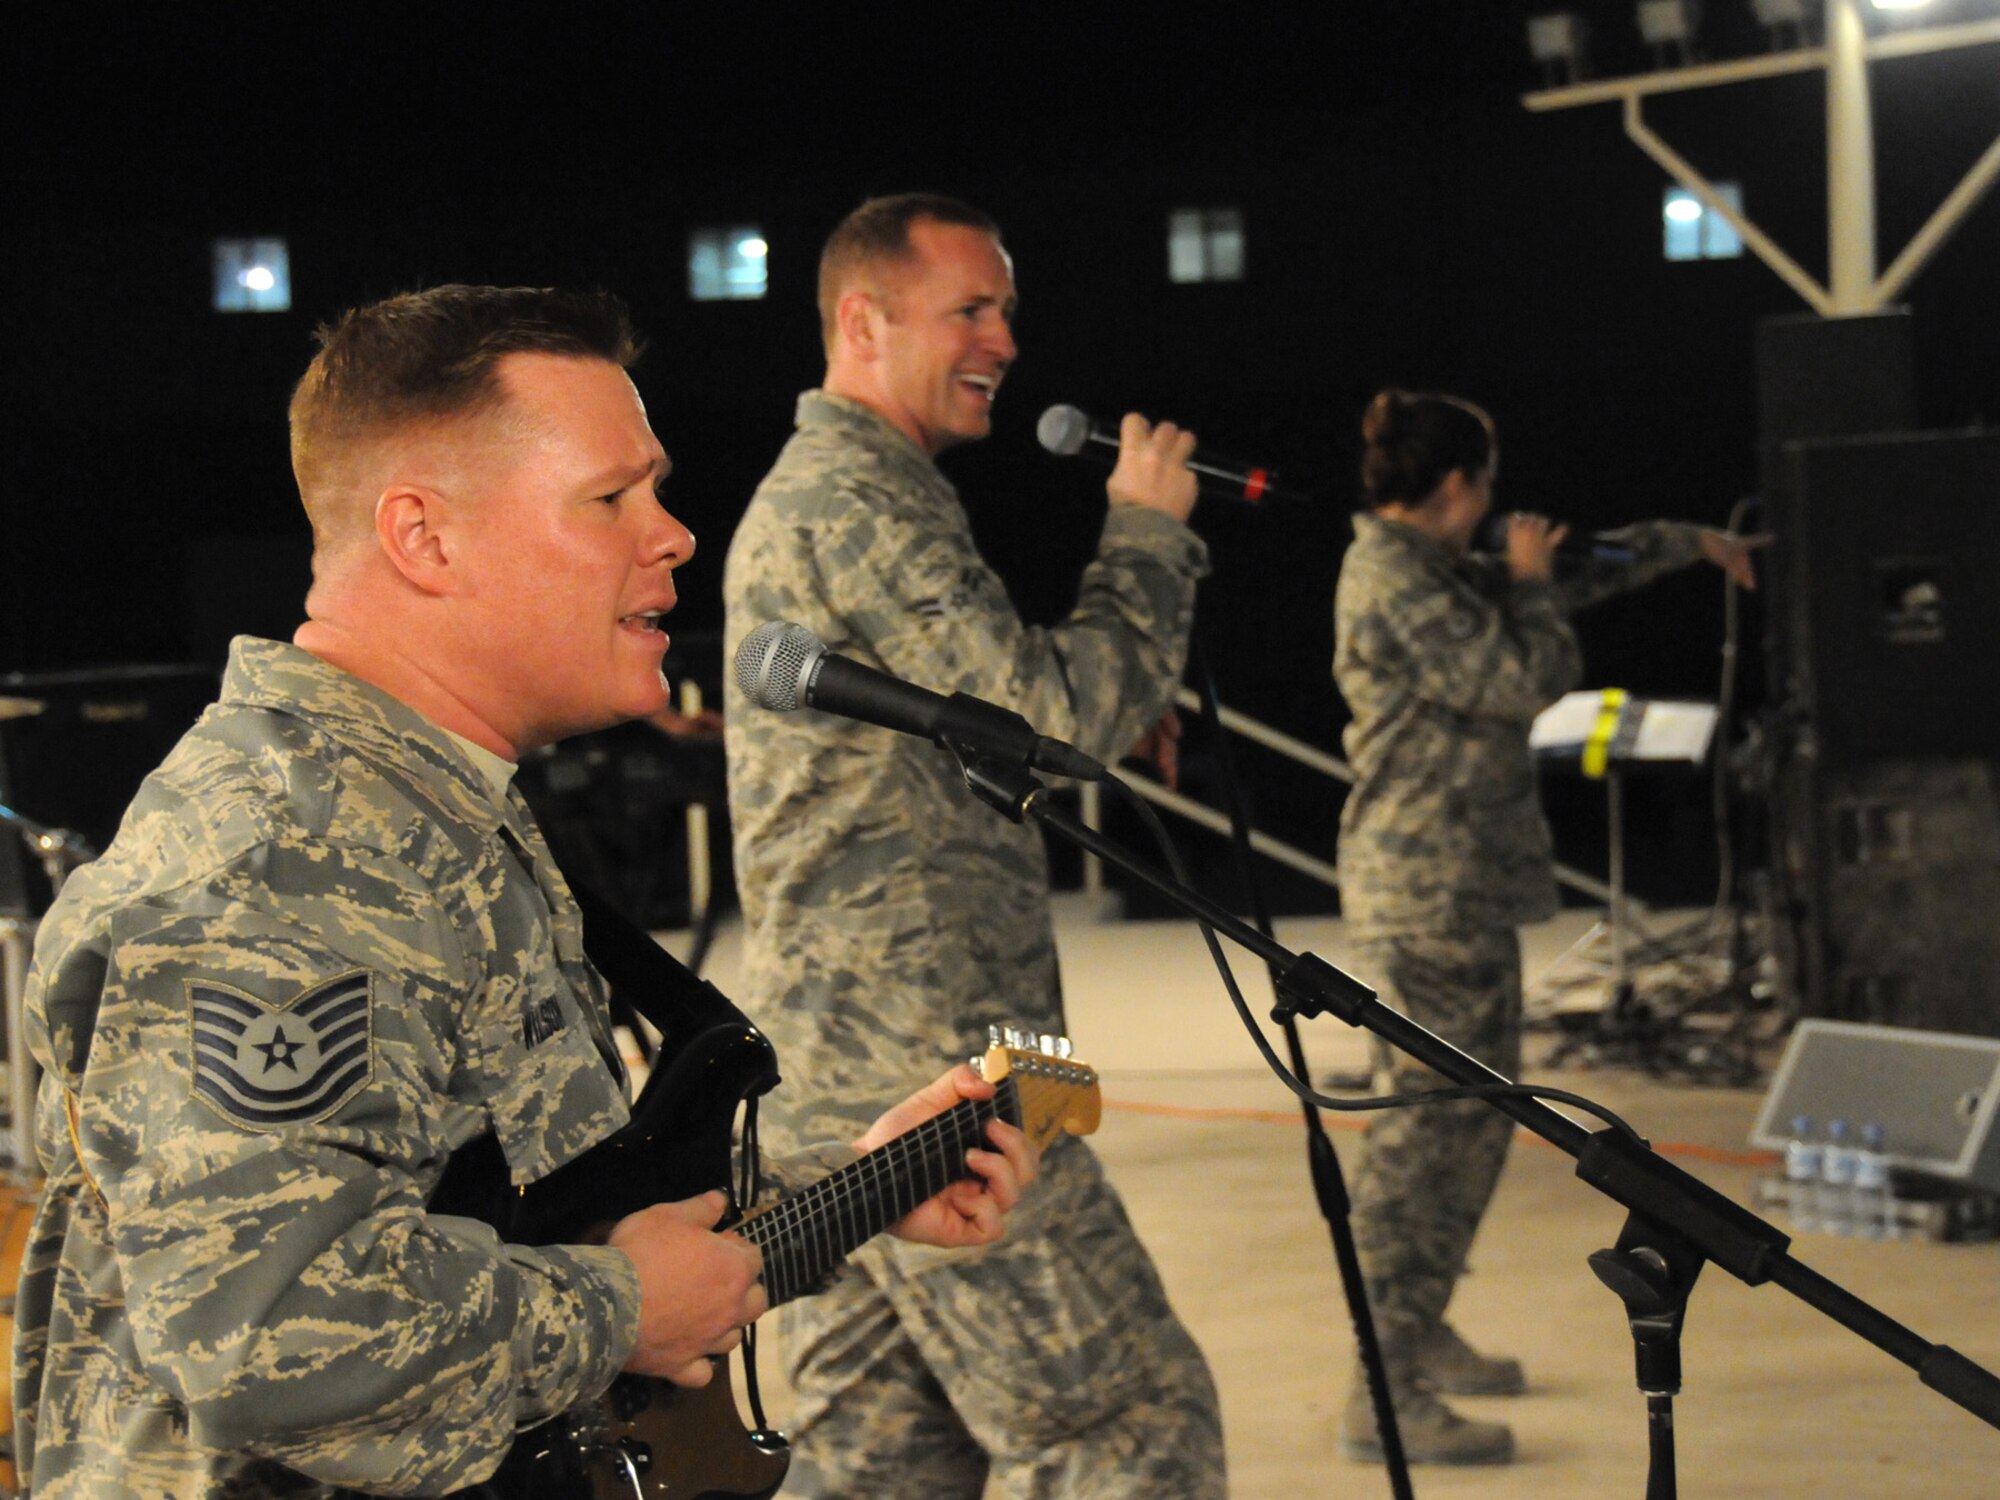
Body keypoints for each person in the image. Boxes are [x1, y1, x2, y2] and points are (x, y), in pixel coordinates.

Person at [9, 284, 1035, 1500]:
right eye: (611, 498)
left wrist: (843, 1184)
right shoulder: (276, 858)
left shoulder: (436, 812)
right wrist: (618, 1308)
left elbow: (519, 1207)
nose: (672, 535)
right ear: (423, 537)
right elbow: (261, 1332)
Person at [722, 194, 1227, 1498]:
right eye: (972, 309)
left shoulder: (865, 493)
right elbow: (1052, 719)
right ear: (861, 320)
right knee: (1128, 1424)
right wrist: (1150, 539)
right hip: (929, 1067)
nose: (1005, 337)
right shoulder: (855, 495)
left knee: (882, 1464)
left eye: (1008, 307)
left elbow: (980, 728)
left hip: (862, 1059)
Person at [1333, 388, 1763, 1465]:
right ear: (1459, 489)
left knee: (1468, 1126)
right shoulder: (1391, 577)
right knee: (1422, 1140)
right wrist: (1524, 583)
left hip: (1459, 890)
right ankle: (1379, 1390)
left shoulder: (1436, 566)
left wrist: (1691, 545)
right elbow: (1521, 674)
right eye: (1488, 484)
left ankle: (1416, 1331)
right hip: (1425, 897)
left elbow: (1583, 566)